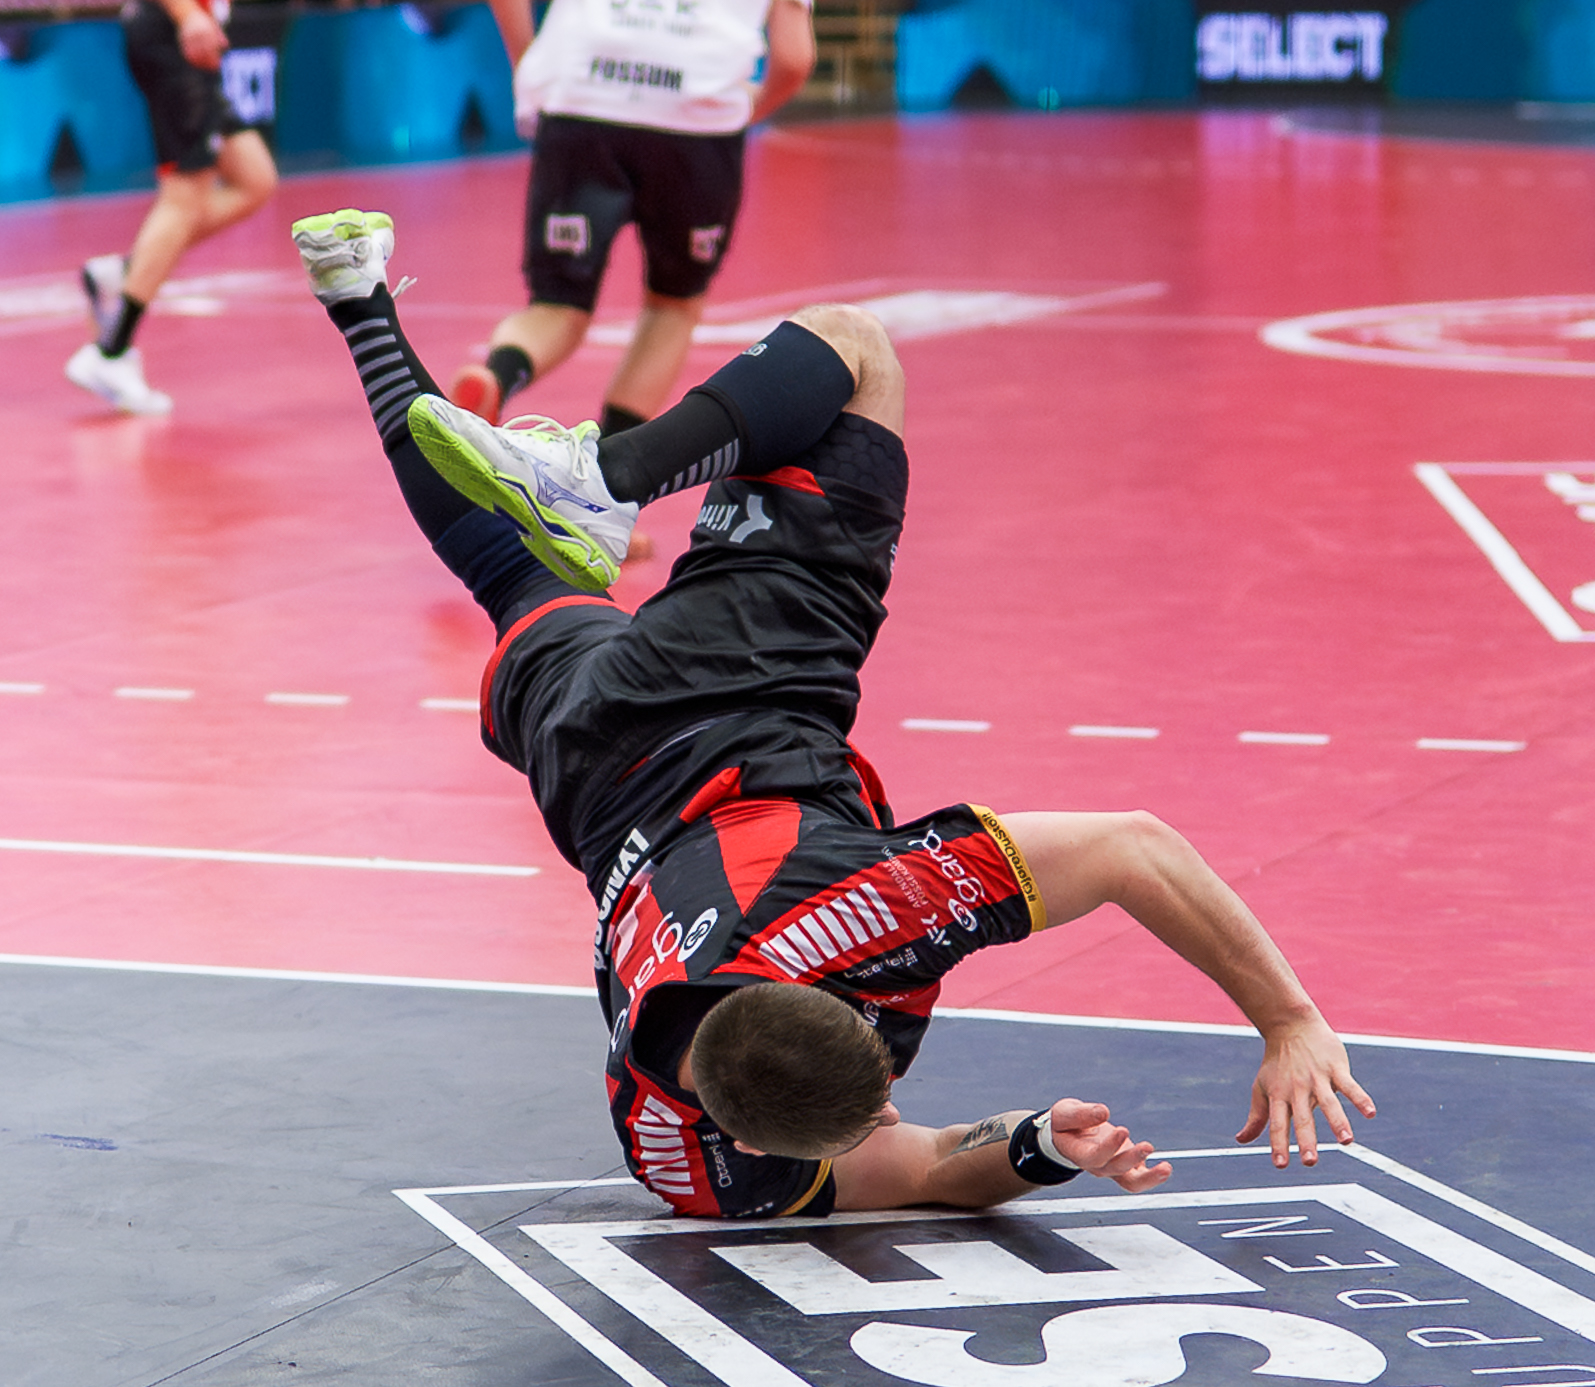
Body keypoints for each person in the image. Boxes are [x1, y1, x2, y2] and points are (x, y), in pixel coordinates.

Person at [293, 208, 1376, 1219]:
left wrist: (1288, 1021)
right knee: (506, 570)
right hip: (592, 768)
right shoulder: (668, 1146)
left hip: (736, 686)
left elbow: (1135, 849)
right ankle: (356, 299)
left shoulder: (870, 913)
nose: (895, 1110)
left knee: (852, 354)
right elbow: (921, 1168)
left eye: (875, 1107)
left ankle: (602, 478)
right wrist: (1038, 1146)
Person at [446, 0, 816, 442]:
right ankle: (612, 459)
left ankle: (497, 376)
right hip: (696, 113)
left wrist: (530, 61)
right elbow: (794, 59)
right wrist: (745, 109)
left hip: (583, 94)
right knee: (672, 305)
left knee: (556, 305)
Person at [66, 0, 278, 416]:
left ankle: (124, 273)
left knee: (255, 180)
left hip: (192, 40)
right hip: (174, 36)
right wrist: (187, 15)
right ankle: (110, 353)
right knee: (185, 196)